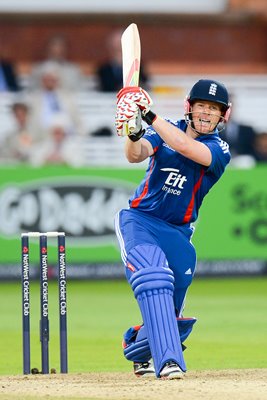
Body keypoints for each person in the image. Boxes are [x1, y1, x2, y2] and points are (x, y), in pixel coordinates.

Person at [114, 79, 232, 380]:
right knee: (154, 277)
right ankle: (169, 361)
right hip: (140, 221)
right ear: (189, 108)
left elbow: (183, 146)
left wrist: (146, 113)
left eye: (214, 109)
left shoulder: (220, 149)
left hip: (178, 233)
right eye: (202, 106)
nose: (207, 113)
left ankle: (138, 345)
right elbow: (135, 153)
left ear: (224, 116)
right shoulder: (165, 126)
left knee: (171, 312)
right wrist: (134, 129)